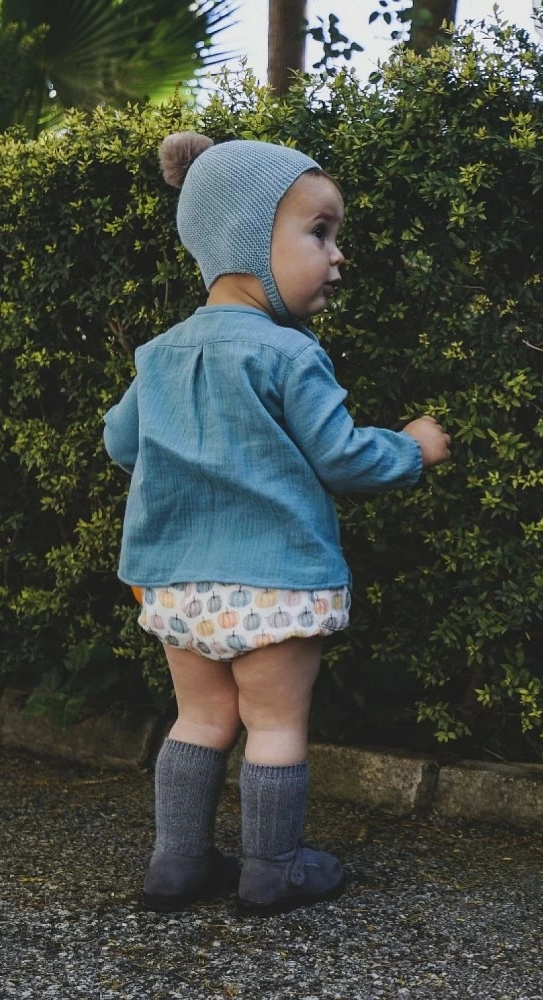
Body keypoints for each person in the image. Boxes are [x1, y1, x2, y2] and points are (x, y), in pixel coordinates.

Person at [102, 131, 452, 918]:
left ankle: (176, 864)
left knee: (199, 717)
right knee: (273, 723)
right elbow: (343, 457)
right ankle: (273, 869)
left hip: (174, 582)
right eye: (319, 232)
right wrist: (412, 448)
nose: (337, 256)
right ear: (246, 239)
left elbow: (121, 443)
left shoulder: (158, 356)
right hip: (275, 583)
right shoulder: (290, 354)